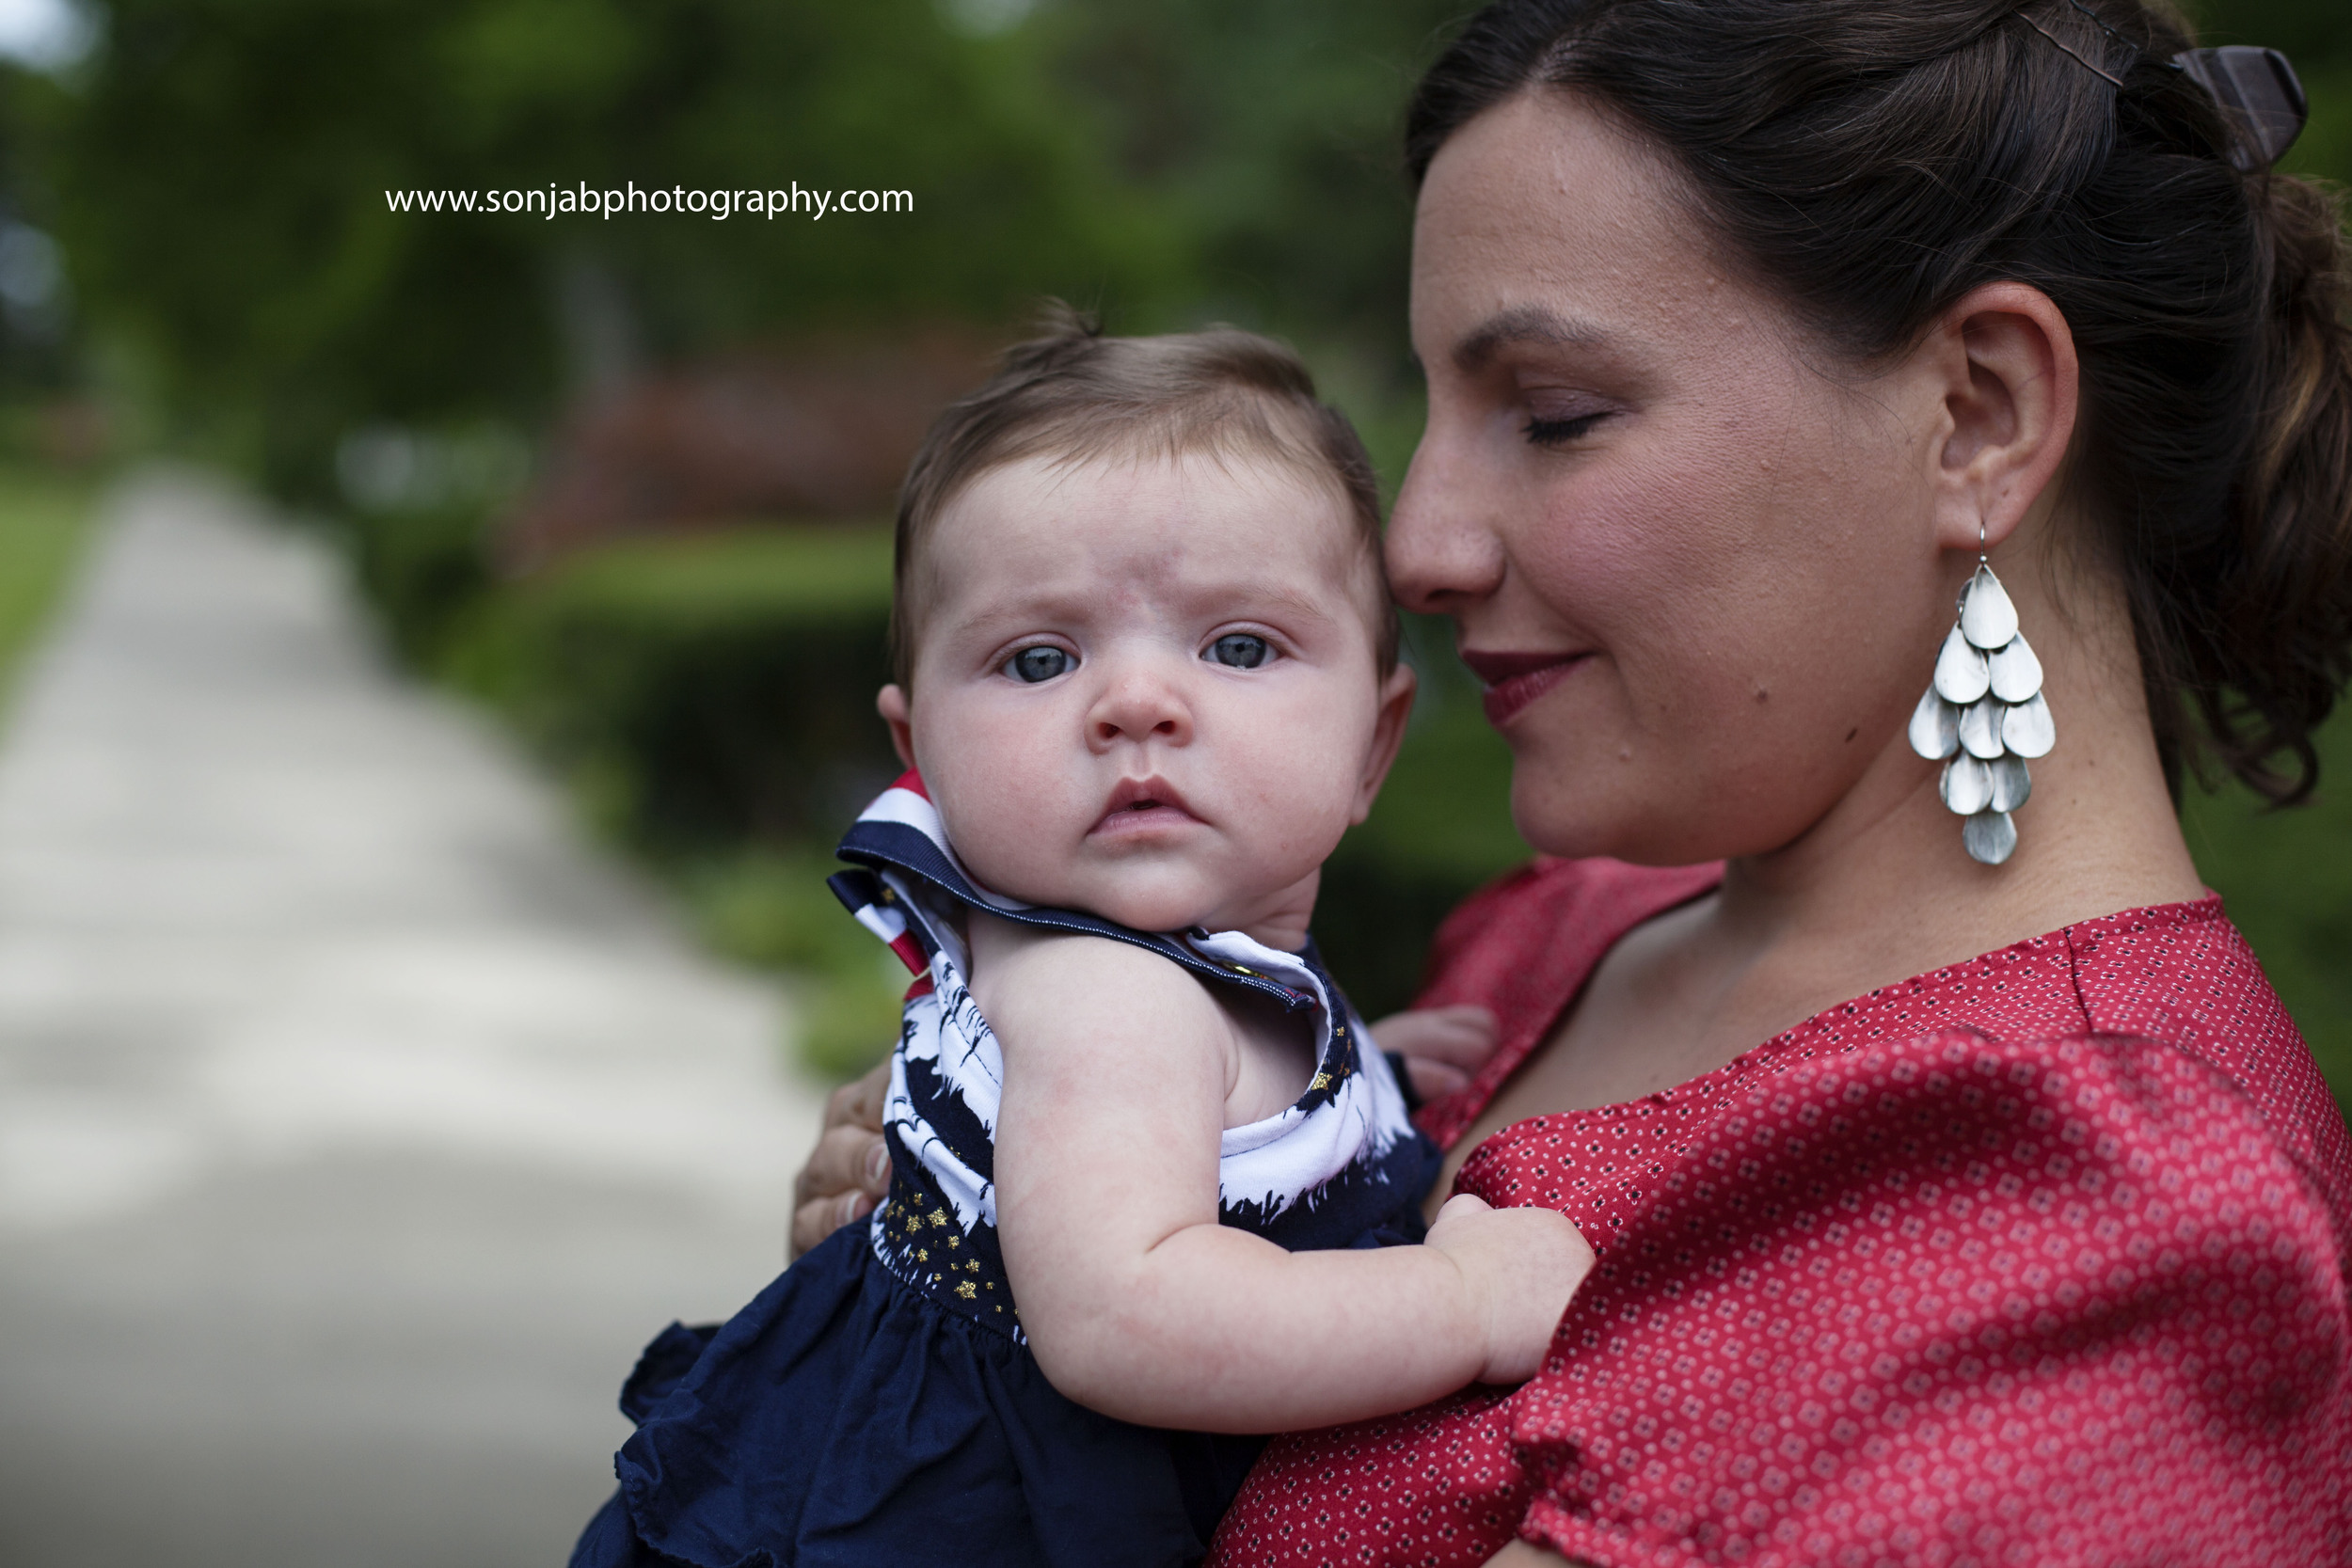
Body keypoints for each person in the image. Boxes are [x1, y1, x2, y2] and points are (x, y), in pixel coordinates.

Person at [792, 1, 2352, 1562]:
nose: (1420, 546)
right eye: (1437, 414)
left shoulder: (2114, 1221)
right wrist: (942, 1259)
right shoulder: (1560, 932)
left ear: (1977, 416)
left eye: (1556, 416)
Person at [571, 316, 1594, 1568]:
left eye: (1237, 646)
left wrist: (1341, 1087)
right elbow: (1128, 1314)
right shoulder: (1110, 999)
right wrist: (1467, 1302)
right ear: (922, 754)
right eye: (1039, 658)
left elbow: (1173, 1150)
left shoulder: (1184, 991)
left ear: (1371, 744)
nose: (1136, 705)